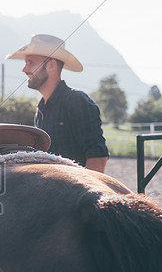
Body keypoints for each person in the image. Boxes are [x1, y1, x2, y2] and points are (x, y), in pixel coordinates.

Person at [6, 34, 110, 172]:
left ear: (51, 65)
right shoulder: (41, 110)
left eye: (31, 62)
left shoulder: (77, 101)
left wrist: (83, 191)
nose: (24, 69)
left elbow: (98, 157)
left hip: (75, 191)